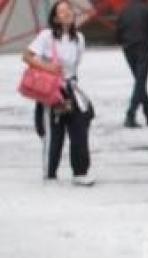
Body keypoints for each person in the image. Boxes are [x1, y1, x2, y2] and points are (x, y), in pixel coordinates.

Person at [23, 0, 95, 186]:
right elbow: (27, 56)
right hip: (51, 90)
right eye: (62, 11)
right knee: (54, 133)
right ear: (55, 17)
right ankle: (50, 173)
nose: (67, 13)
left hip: (70, 87)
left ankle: (80, 172)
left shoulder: (79, 38)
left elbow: (75, 65)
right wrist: (48, 67)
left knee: (79, 126)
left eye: (69, 10)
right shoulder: (46, 36)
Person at [116, 0, 148, 128]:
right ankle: (131, 114)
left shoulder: (125, 10)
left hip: (128, 48)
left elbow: (118, 31)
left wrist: (124, 43)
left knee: (139, 82)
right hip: (144, 47)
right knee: (140, 82)